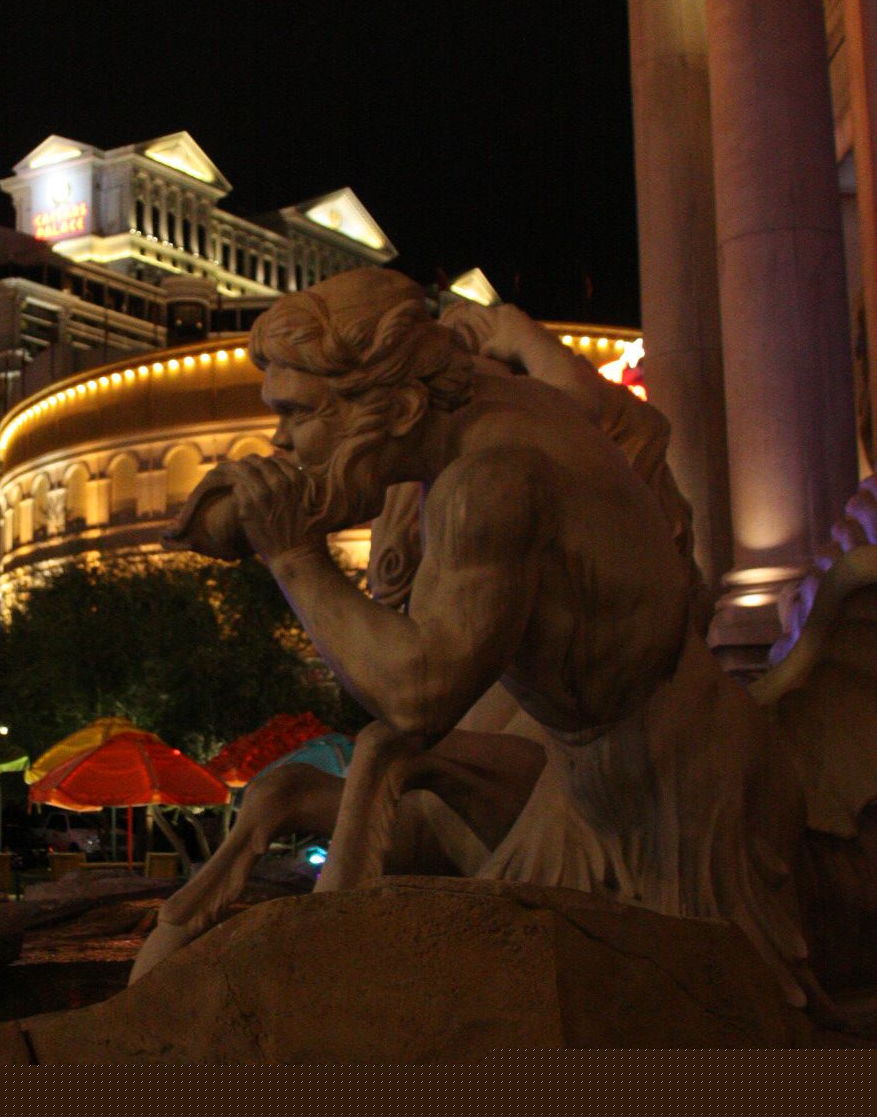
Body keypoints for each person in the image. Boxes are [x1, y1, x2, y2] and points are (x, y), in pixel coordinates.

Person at [131, 267, 810, 1003]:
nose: (280, 439)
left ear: (395, 407)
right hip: (583, 787)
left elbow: (418, 698)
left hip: (679, 809)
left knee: (686, 1039)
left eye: (297, 413)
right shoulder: (497, 417)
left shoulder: (488, 484)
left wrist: (294, 556)